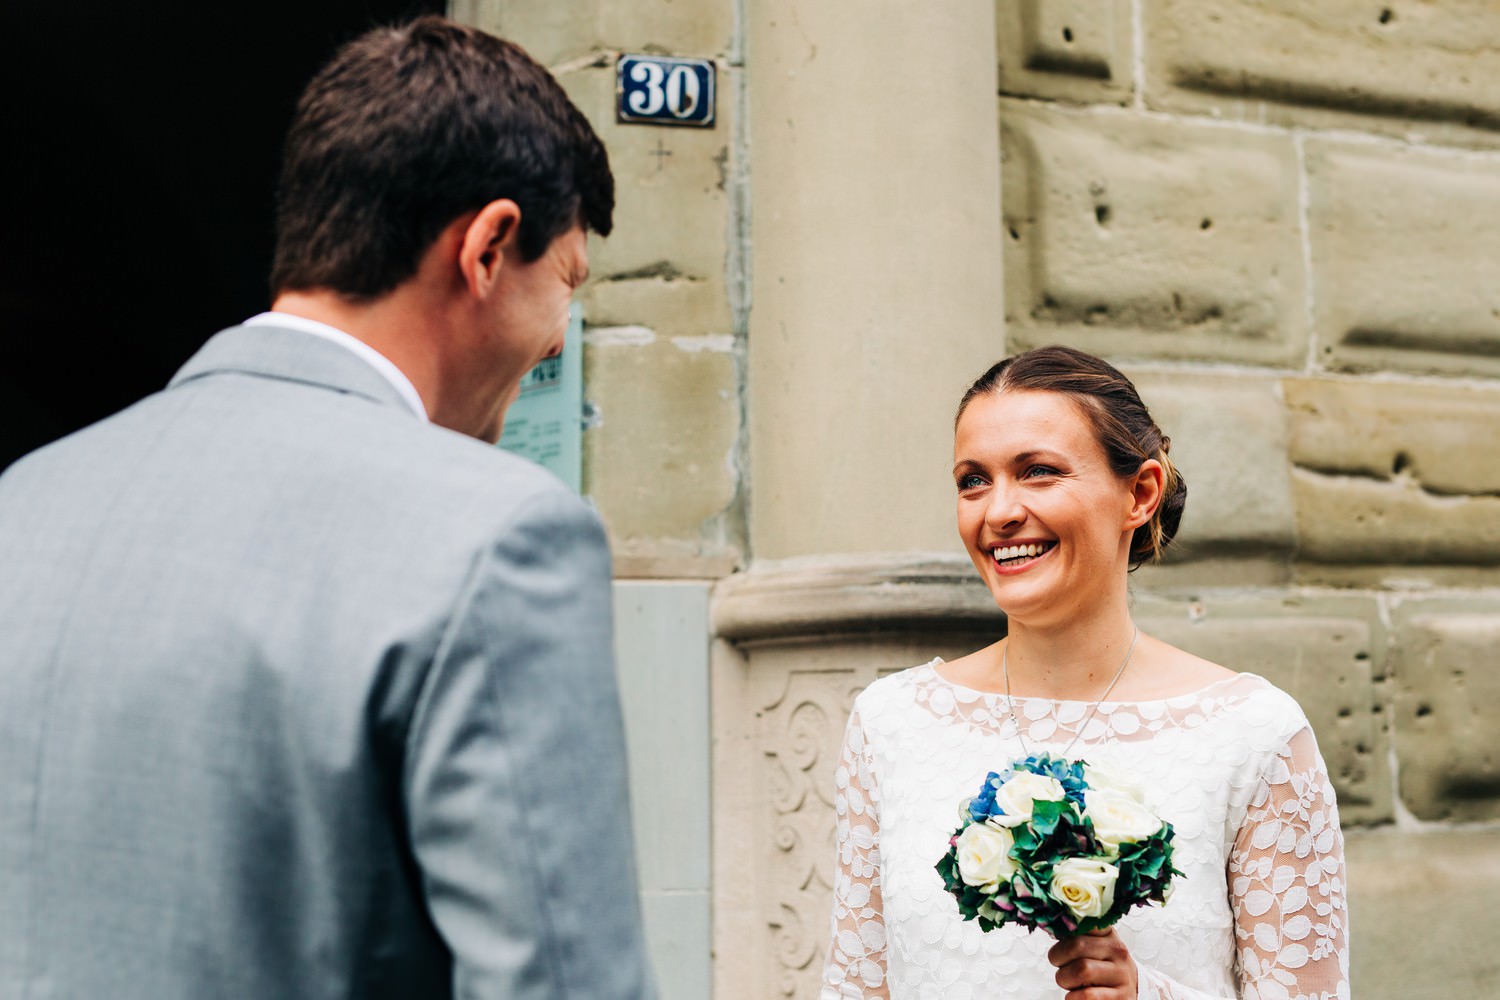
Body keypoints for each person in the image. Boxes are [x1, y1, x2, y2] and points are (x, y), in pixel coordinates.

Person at [0, 16, 655, 999]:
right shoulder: (499, 537)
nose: (559, 341)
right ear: (488, 247)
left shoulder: (27, 500)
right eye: (565, 283)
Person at [820, 346, 1349, 999]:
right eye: (973, 480)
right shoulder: (891, 723)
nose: (998, 512)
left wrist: (1145, 995)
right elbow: (856, 986)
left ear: (1141, 493)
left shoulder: (1252, 735)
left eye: (1038, 472)